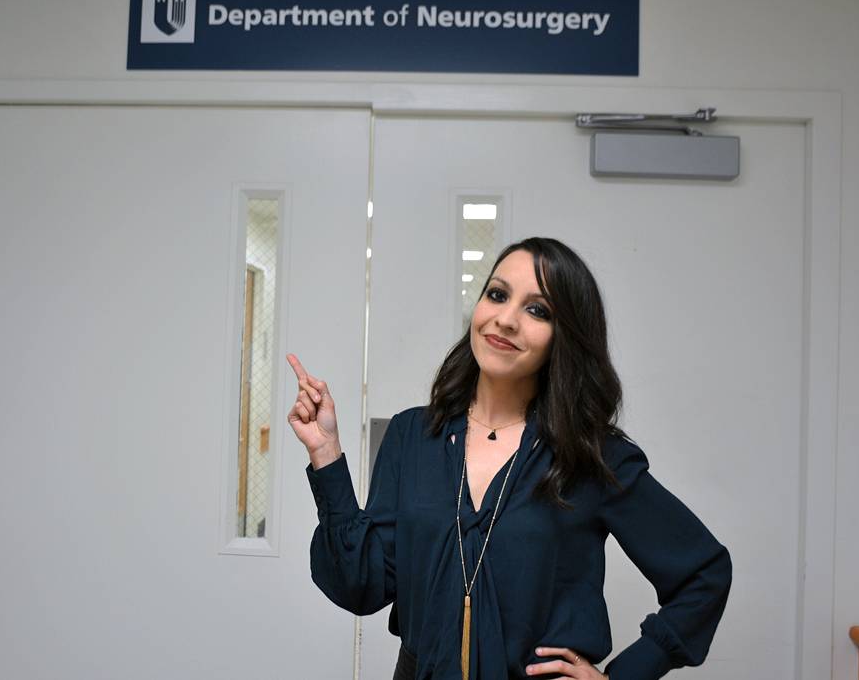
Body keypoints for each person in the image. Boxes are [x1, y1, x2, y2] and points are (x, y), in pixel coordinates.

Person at [287, 237, 732, 680]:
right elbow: (360, 587)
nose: (506, 319)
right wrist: (326, 453)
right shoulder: (412, 436)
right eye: (497, 295)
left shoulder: (593, 457)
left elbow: (703, 573)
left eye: (537, 310)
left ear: (566, 337)